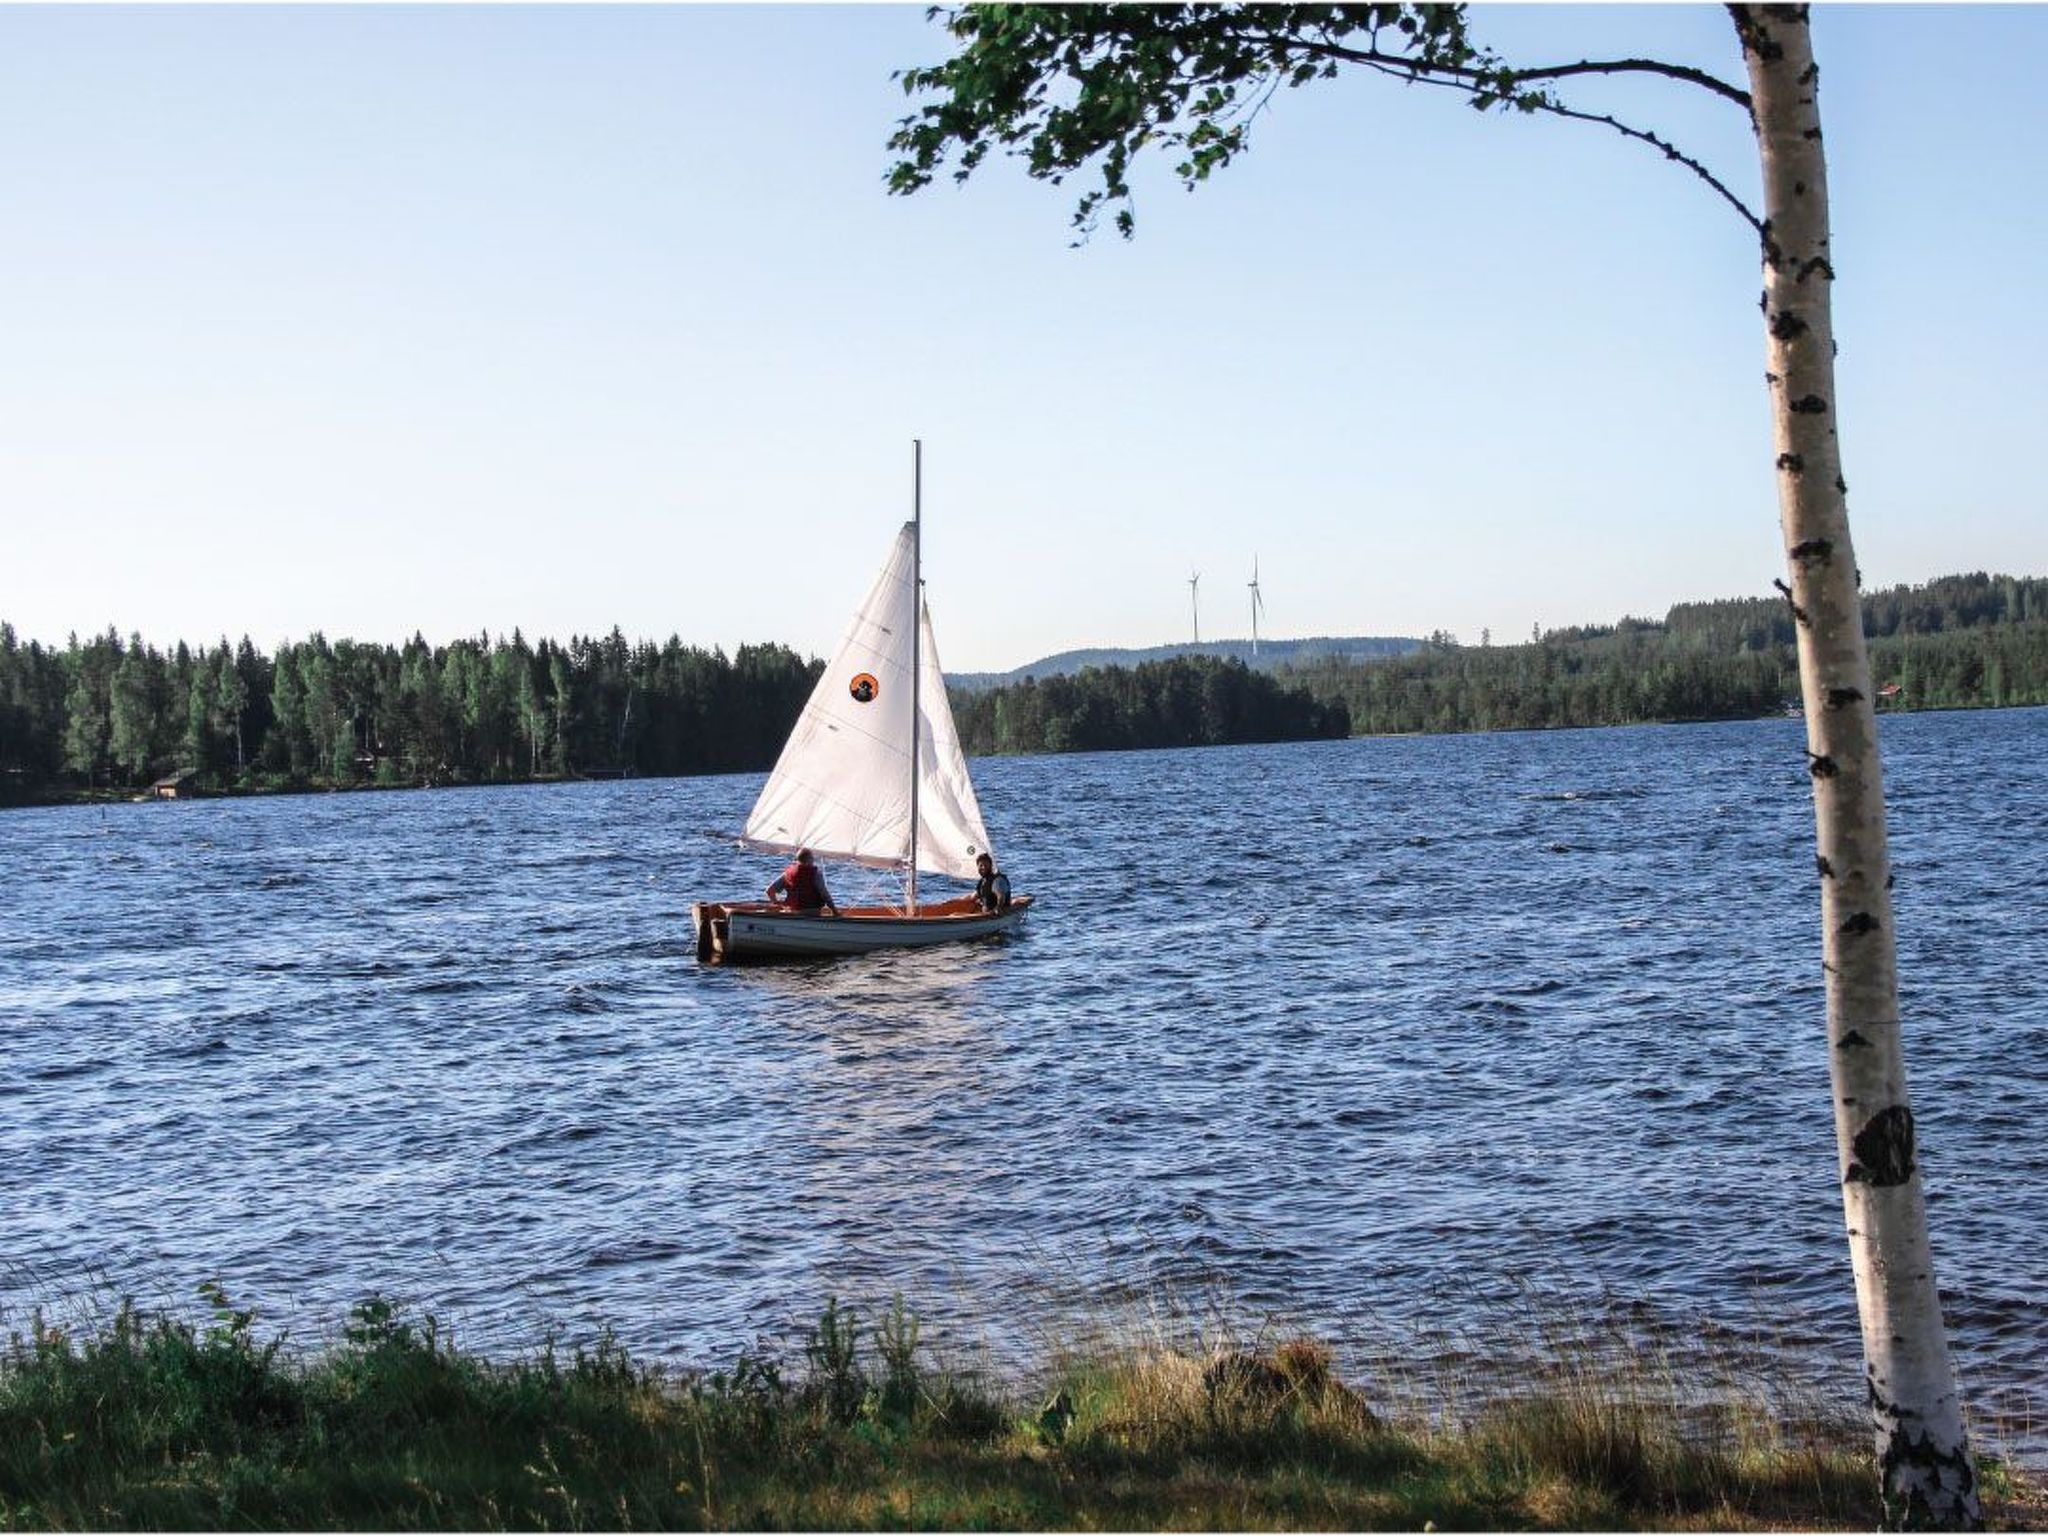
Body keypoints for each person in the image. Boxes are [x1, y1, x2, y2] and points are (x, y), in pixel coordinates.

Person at [767, 848, 837, 915]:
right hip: (811, 912)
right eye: (812, 858)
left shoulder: (788, 873)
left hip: (791, 911)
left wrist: (776, 903)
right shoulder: (815, 873)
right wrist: (834, 911)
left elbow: (770, 891)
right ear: (809, 859)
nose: (813, 860)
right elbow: (824, 894)